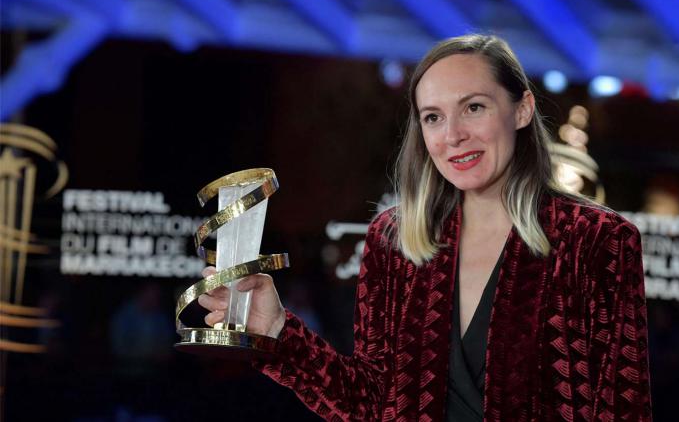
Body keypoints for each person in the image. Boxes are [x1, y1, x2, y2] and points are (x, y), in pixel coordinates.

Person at [199, 34, 652, 421]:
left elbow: (623, 410)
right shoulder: (393, 241)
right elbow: (372, 404)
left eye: (473, 107)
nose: (452, 135)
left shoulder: (595, 240)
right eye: (433, 117)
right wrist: (277, 331)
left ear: (522, 110)